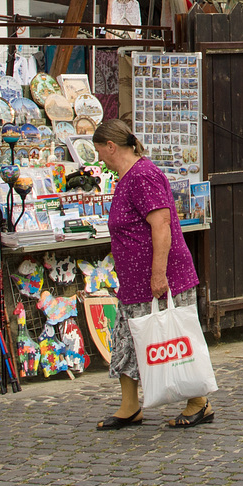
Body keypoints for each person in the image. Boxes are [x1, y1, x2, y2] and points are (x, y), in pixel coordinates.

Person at [92, 119, 214, 430]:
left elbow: (161, 225)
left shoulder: (142, 176)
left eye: (99, 151)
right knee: (127, 339)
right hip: (134, 280)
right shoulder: (127, 176)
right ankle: (130, 406)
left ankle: (199, 401)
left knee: (175, 338)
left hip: (159, 276)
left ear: (111, 146)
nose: (99, 159)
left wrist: (159, 275)